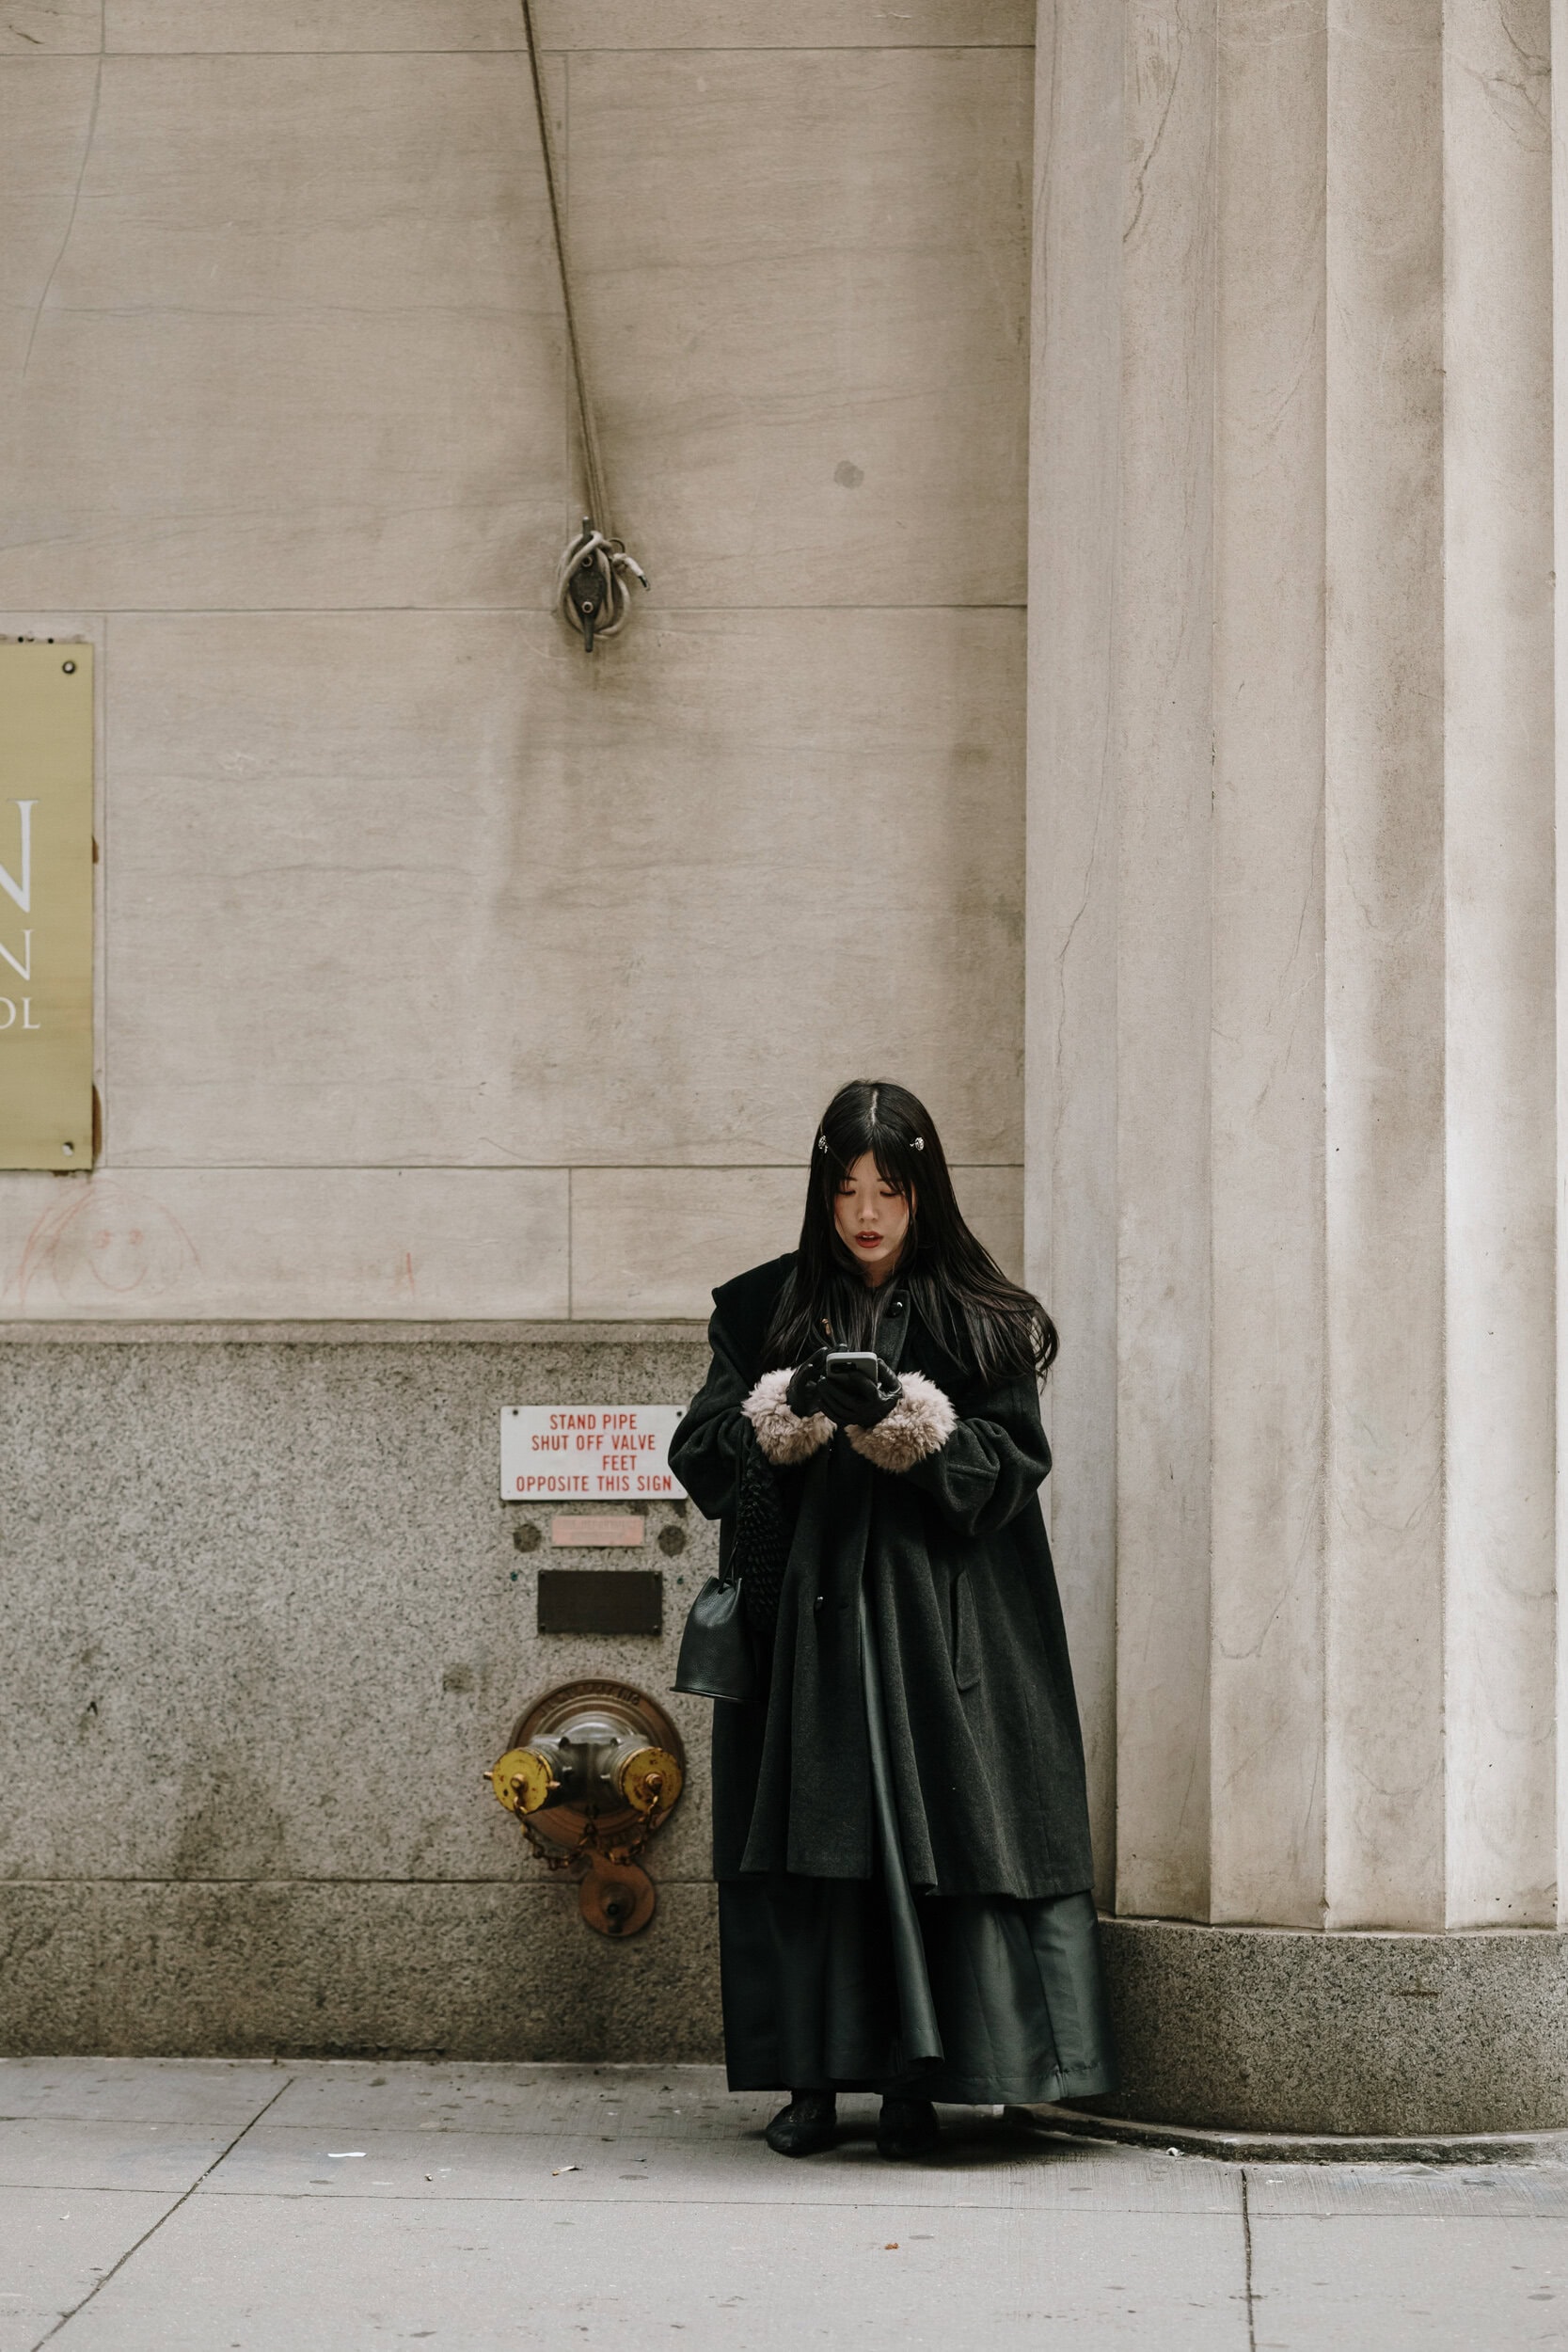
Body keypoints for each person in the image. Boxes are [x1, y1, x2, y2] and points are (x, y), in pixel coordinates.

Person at [669, 1079, 1117, 2160]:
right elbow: (701, 1457)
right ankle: (812, 2087)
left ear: (925, 1192)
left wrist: (906, 1420)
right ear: (821, 1191)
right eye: (846, 1187)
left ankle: (919, 2085)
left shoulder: (985, 1317)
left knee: (924, 1843)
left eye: (890, 1187)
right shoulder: (760, 1306)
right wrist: (788, 1408)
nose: (866, 1211)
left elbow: (1007, 1477)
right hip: (800, 1637)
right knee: (808, 1847)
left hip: (935, 1636)